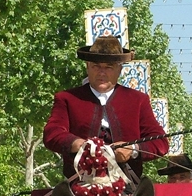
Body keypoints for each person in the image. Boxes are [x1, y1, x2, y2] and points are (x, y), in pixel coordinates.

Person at [43, 36, 169, 180]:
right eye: (96, 66)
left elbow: (160, 142)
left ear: (119, 69)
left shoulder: (138, 100)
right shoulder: (67, 99)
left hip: (128, 185)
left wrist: (133, 149)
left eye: (109, 67)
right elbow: (52, 133)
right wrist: (76, 144)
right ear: (87, 67)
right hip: (78, 184)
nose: (101, 72)